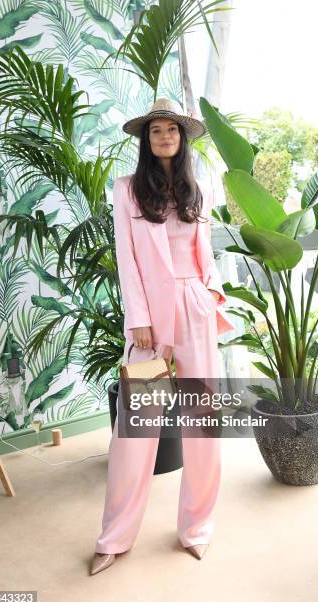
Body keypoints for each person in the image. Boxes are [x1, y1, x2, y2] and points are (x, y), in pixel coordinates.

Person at [90, 98, 235, 576]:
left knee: (201, 425)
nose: (165, 136)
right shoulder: (127, 189)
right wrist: (138, 317)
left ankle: (197, 529)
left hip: (194, 306)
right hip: (151, 316)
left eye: (172, 129)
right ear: (146, 139)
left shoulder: (198, 189)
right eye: (156, 130)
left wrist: (211, 293)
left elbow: (205, 250)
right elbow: (126, 258)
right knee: (134, 432)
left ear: (183, 137)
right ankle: (114, 537)